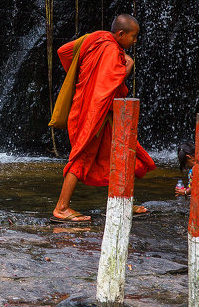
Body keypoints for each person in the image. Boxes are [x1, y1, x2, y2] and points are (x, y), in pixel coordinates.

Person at [49, 14, 155, 222]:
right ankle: (61, 208)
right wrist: (128, 66)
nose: (135, 42)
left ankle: (122, 203)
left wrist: (83, 75)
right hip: (95, 112)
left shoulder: (94, 38)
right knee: (81, 157)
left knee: (121, 154)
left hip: (90, 108)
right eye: (134, 37)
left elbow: (64, 51)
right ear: (121, 34)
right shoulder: (110, 50)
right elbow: (109, 86)